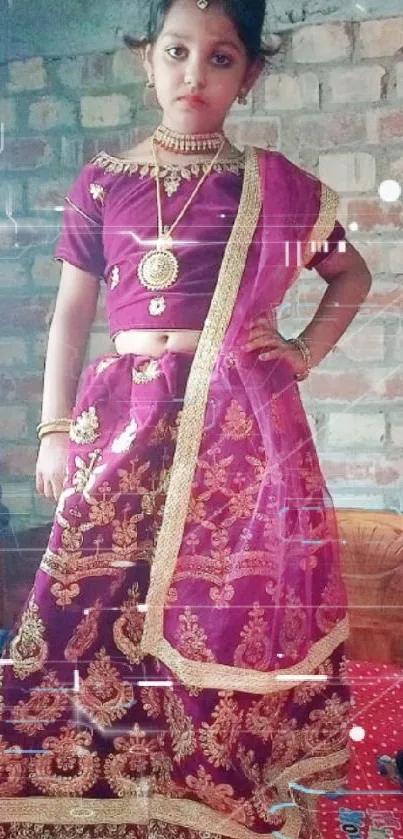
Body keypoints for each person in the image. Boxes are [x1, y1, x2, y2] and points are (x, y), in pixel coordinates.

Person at [0, 1, 372, 837]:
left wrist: (305, 351)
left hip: (236, 429)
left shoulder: (269, 186)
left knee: (224, 601)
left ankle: (208, 772)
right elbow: (69, 316)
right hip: (124, 417)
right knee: (97, 590)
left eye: (220, 58)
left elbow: (350, 278)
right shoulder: (102, 182)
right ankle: (101, 774)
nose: (193, 75)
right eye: (176, 52)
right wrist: (55, 431)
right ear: (146, 60)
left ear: (250, 75)